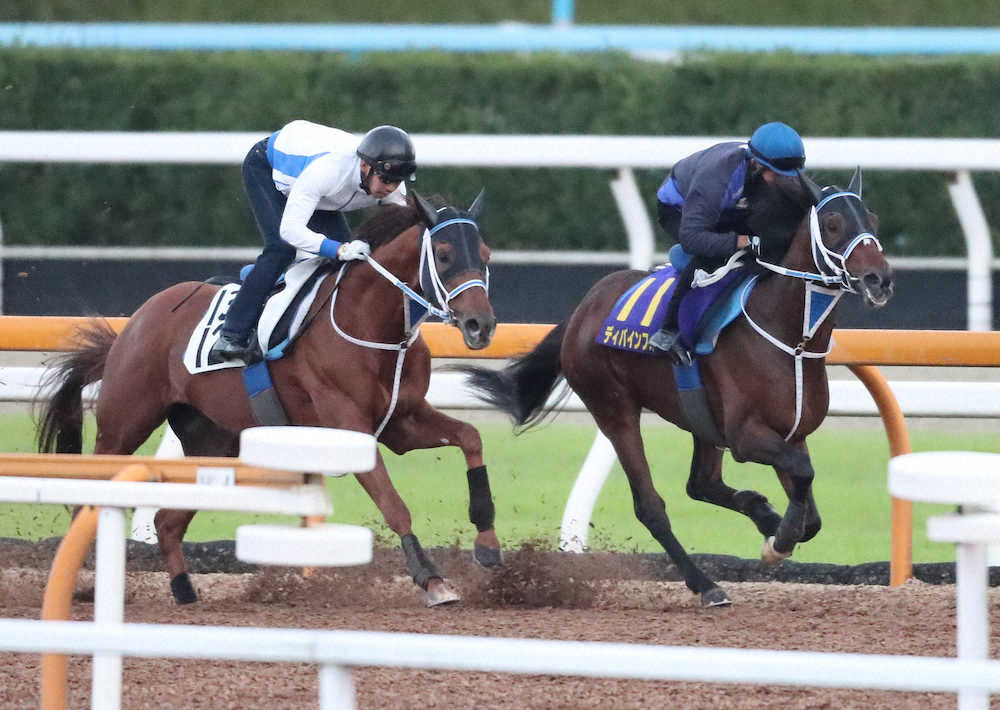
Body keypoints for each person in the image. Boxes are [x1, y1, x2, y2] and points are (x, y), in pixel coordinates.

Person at [209, 119, 416, 362]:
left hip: (319, 193)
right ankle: (232, 334)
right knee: (281, 249)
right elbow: (290, 230)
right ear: (364, 166)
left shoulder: (389, 186)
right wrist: (338, 248)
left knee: (345, 266)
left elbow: (412, 225)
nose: (389, 188)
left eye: (396, 181)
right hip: (267, 165)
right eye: (385, 179)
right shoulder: (328, 172)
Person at [648, 121, 806, 363]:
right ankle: (667, 331)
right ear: (756, 164)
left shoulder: (769, 170)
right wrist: (740, 241)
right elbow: (693, 238)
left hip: (728, 208)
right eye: (776, 175)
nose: (781, 181)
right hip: (679, 209)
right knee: (708, 256)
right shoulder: (716, 178)